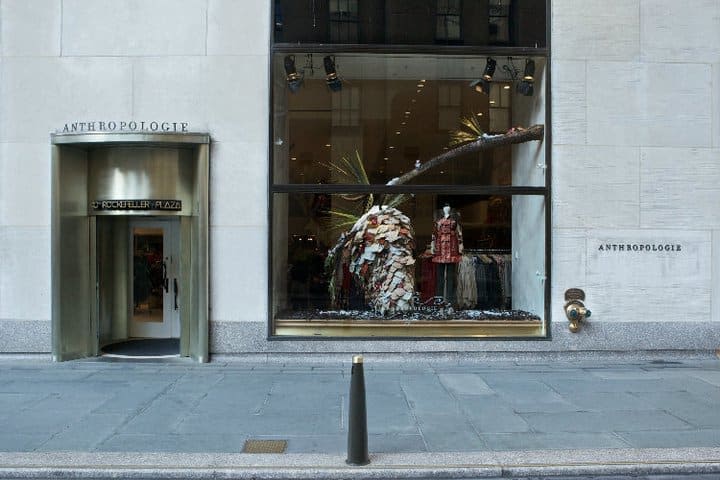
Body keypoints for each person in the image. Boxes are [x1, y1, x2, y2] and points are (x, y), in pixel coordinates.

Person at [431, 203, 463, 304]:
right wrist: (432, 247)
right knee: (439, 277)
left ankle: (450, 302)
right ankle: (439, 300)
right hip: (440, 248)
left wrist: (460, 247)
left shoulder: (455, 217)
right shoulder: (437, 217)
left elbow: (459, 233)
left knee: (450, 277)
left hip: (452, 248)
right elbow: (434, 233)